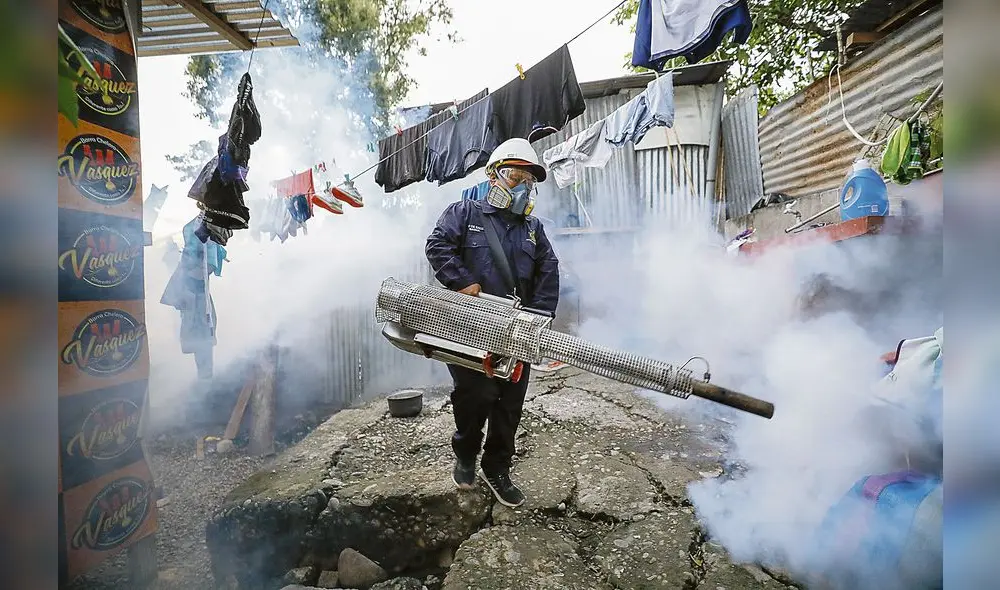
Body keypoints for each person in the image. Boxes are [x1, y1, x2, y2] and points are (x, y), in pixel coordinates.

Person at [425, 137, 560, 507]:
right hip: (469, 327)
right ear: (494, 177)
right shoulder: (464, 213)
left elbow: (548, 271)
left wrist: (540, 317)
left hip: (517, 331)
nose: (522, 185)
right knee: (476, 396)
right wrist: (461, 281)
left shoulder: (533, 229)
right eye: (514, 175)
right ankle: (466, 454)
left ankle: (497, 466)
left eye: (528, 179)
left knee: (510, 402)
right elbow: (437, 245)